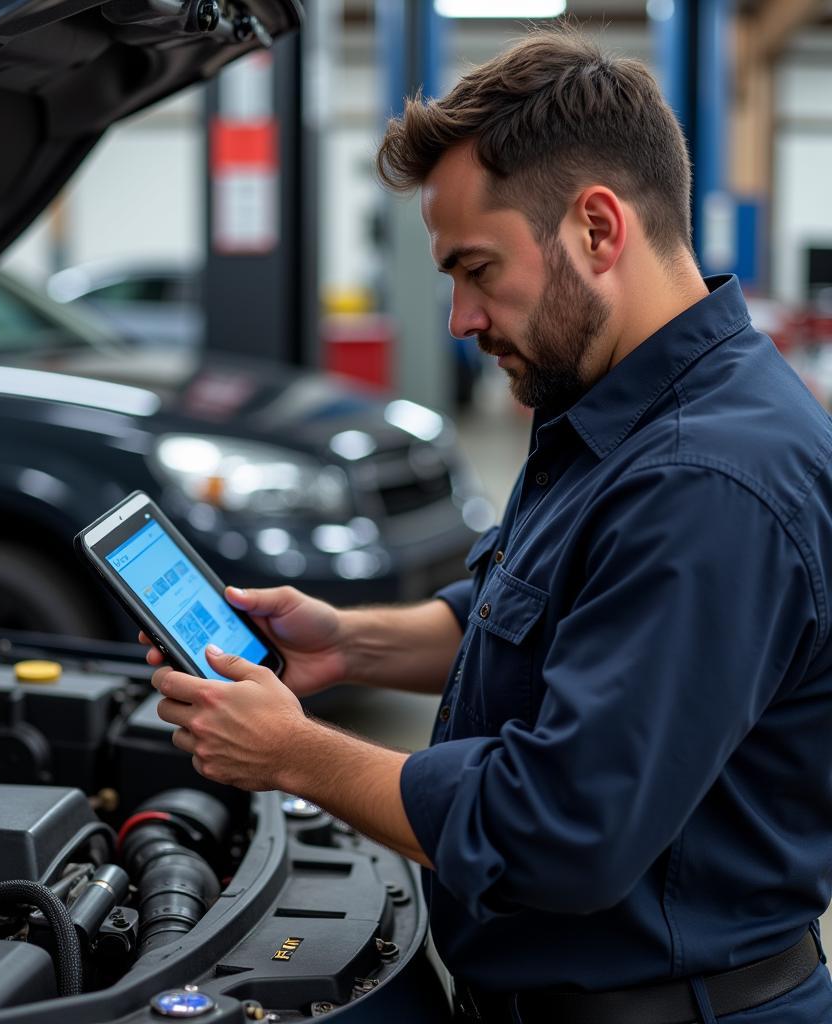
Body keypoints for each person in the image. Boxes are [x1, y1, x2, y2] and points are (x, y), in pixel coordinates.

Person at [143, 27, 832, 1023]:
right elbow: (542, 614)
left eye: (477, 268)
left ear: (598, 227)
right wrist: (347, 644)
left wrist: (297, 753)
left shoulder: (706, 479)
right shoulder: (619, 410)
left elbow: (557, 828)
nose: (461, 319)